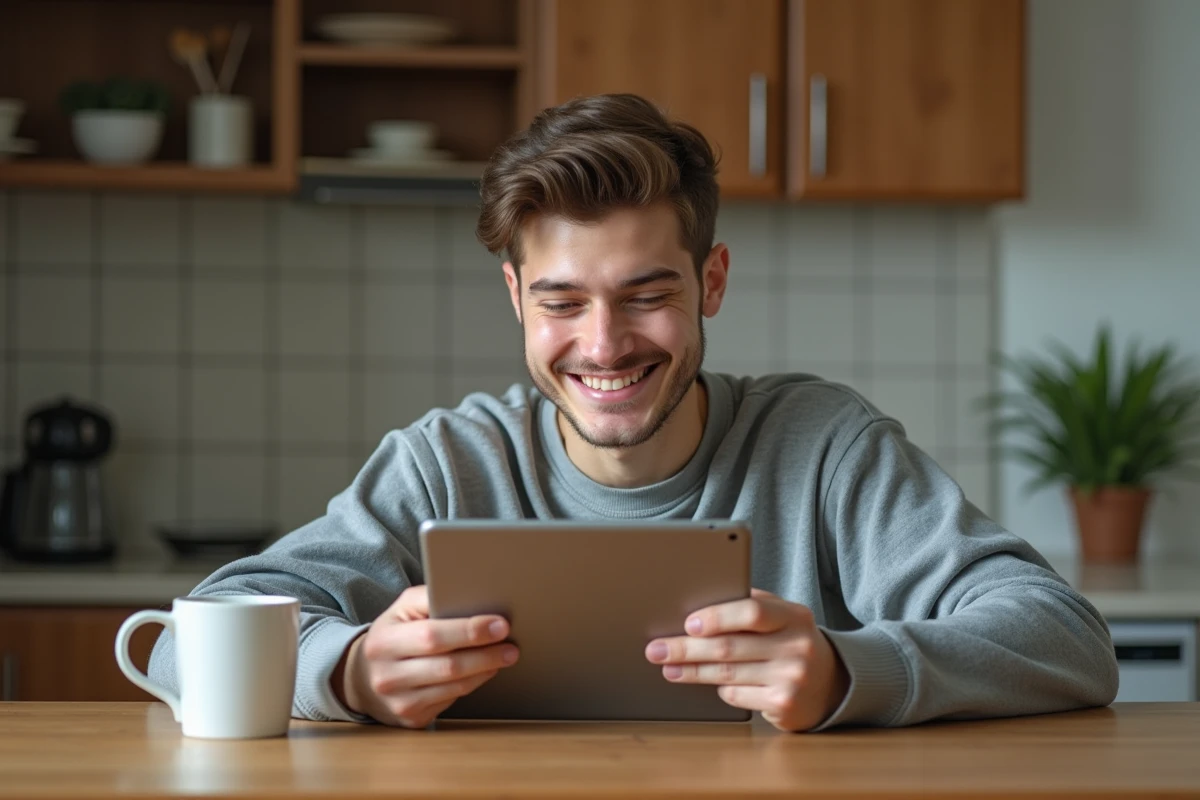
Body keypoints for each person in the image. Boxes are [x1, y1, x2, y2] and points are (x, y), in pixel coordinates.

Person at [148, 94, 1118, 733]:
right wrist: (350, 669)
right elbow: (184, 637)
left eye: (647, 293)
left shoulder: (822, 446)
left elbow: (1066, 636)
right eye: (563, 301)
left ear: (713, 279)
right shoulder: (447, 460)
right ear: (516, 300)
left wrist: (843, 668)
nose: (604, 344)